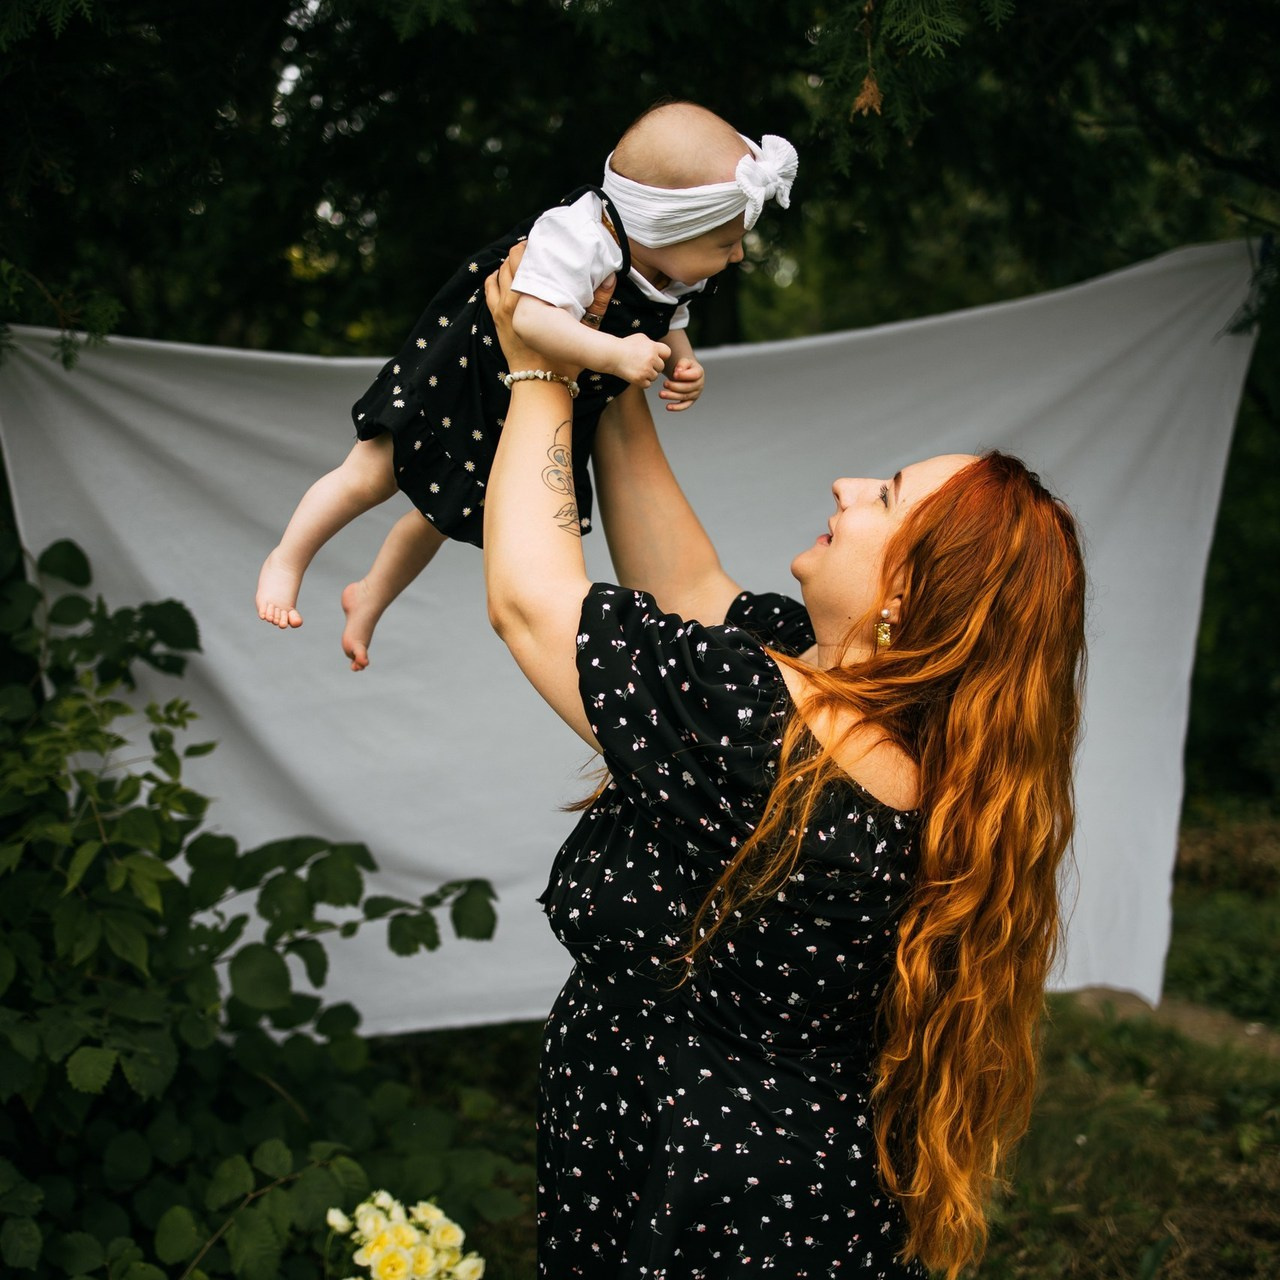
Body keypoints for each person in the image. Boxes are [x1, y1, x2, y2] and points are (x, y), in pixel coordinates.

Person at [480, 243, 1088, 1278]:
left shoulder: (774, 730)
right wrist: (613, 352)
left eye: (884, 496)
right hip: (788, 1188)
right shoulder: (870, 727)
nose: (847, 486)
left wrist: (535, 362)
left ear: (906, 595)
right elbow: (686, 581)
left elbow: (532, 605)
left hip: (703, 1192)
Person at [254, 102, 798, 670]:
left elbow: (669, 313)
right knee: (372, 474)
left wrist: (682, 361)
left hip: (527, 400)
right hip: (465, 374)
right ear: (664, 227)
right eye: (724, 245)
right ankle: (287, 559)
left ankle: (369, 595)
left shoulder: (667, 261)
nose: (738, 255)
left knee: (449, 513)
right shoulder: (579, 236)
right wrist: (616, 353)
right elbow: (531, 319)